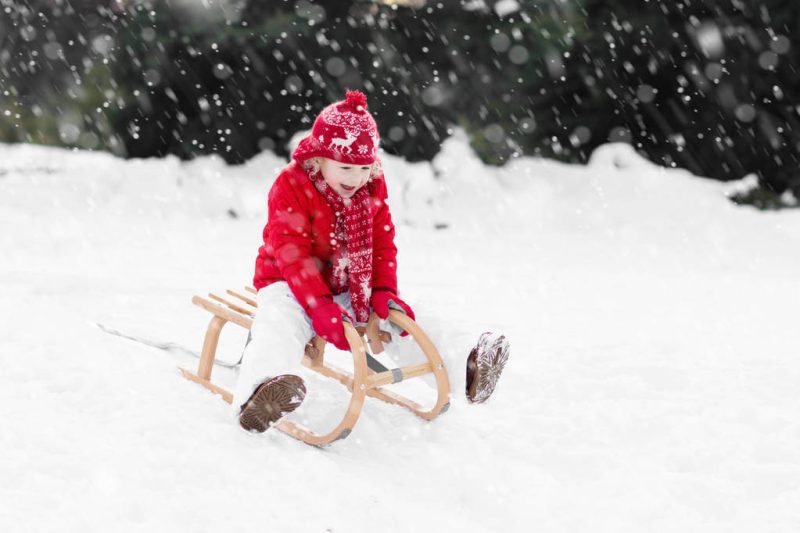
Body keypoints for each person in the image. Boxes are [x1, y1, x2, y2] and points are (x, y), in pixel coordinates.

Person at [233, 90, 510, 433]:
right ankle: (264, 389)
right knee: (281, 321)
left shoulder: (371, 187)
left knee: (402, 316)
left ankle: (466, 365)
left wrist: (382, 289)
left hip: (350, 282)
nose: (355, 177)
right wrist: (318, 305)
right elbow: (292, 253)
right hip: (288, 282)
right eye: (345, 167)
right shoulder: (291, 185)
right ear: (319, 158)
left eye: (364, 168)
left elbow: (382, 244)